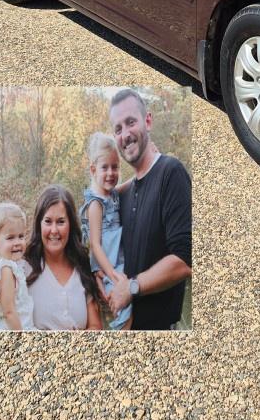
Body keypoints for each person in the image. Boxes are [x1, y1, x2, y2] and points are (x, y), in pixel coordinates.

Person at [106, 89, 192, 330]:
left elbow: (185, 260)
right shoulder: (127, 192)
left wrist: (131, 287)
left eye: (130, 122)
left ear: (148, 121)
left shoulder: (170, 173)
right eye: (118, 129)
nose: (125, 134)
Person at [25, 185, 104, 330]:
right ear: (39, 224)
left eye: (61, 222)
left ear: (71, 225)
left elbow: (95, 326)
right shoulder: (23, 267)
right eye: (48, 221)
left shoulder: (83, 266)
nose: (54, 230)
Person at [80, 133, 132, 330]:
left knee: (126, 307)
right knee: (123, 310)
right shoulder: (96, 204)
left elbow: (123, 187)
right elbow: (94, 244)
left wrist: (143, 173)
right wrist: (112, 274)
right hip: (109, 265)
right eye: (105, 168)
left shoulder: (110, 194)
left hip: (117, 262)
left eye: (115, 167)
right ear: (93, 170)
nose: (111, 173)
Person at [0, 202, 34, 331]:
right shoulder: (6, 270)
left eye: (21, 236)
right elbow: (9, 312)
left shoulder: (4, 266)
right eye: (10, 238)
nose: (17, 243)